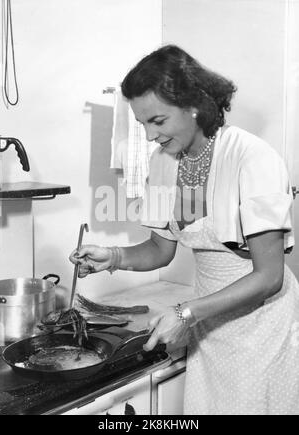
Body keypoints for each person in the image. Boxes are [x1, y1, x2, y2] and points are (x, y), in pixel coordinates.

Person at [70, 45, 299, 415]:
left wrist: (186, 314)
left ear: (194, 104)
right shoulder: (164, 162)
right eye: (142, 123)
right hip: (207, 322)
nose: (149, 136)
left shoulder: (251, 158)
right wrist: (112, 256)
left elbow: (269, 276)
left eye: (158, 121)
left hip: (260, 326)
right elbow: (160, 250)